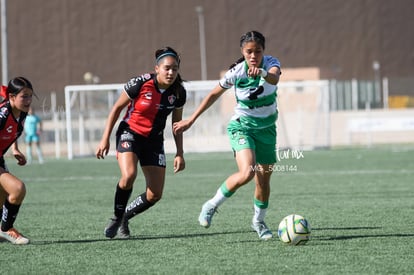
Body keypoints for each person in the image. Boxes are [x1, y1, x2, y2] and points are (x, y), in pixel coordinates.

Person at [173, 31, 282, 240]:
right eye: (249, 52)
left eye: (257, 51)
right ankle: (211, 205)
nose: (253, 56)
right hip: (242, 127)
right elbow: (214, 94)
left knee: (263, 182)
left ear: (263, 51)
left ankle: (258, 222)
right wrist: (191, 119)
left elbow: (274, 78)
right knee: (247, 172)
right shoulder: (237, 72)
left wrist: (261, 73)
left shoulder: (271, 63)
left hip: (267, 129)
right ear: (242, 51)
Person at [96, 46, 187, 239]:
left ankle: (125, 218)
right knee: (129, 175)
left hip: (154, 141)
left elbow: (177, 124)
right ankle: (116, 216)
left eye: (175, 69)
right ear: (157, 68)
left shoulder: (179, 92)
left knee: (155, 194)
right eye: (167, 68)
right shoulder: (140, 83)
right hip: (130, 133)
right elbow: (116, 108)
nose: (171, 72)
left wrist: (180, 152)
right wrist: (105, 139)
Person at [0, 77, 35, 245]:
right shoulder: (2, 115)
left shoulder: (21, 113)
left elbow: (13, 128)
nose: (28, 100)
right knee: (17, 189)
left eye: (30, 96)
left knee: (2, 195)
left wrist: (14, 149)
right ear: (12, 97)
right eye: (24, 96)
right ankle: (6, 229)